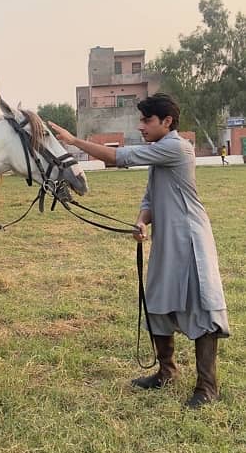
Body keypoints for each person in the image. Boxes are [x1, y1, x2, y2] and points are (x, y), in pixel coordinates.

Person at [49, 93, 229, 407]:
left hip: (190, 240)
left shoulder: (177, 147)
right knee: (157, 301)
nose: (141, 126)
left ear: (167, 122)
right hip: (166, 240)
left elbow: (118, 158)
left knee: (201, 307)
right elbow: (150, 199)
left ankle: (207, 386)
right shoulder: (159, 153)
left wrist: (73, 140)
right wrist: (141, 221)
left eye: (147, 120)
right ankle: (166, 371)